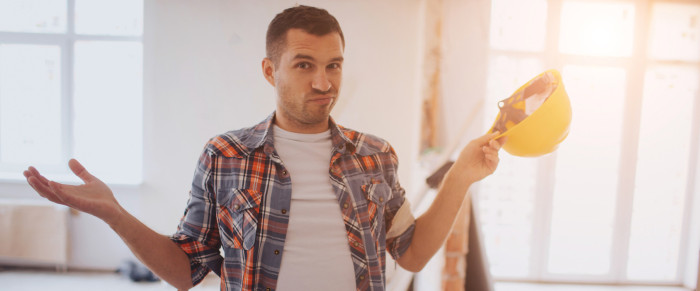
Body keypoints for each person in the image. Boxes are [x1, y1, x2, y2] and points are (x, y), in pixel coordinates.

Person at [23, 5, 503, 291]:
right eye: (304, 65)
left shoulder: (375, 156)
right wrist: (115, 214)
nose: (323, 81)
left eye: (334, 65)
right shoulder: (225, 155)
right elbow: (186, 270)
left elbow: (412, 255)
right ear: (270, 72)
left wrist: (460, 174)